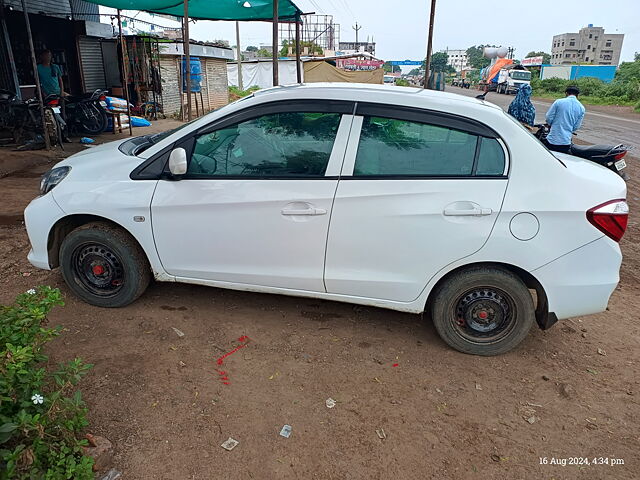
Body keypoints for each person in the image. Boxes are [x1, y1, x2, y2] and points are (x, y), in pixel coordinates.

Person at [543, 85, 585, 153]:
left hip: (552, 139)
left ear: (566, 93)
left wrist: (550, 124)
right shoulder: (581, 107)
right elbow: (576, 126)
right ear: (577, 95)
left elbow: (549, 117)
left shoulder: (559, 102)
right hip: (566, 142)